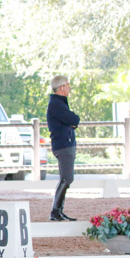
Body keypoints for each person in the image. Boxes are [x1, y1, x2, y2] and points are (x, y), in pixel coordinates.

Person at [47, 75, 80, 221]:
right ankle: (55, 211)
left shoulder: (59, 104)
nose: (69, 87)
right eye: (67, 85)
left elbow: (72, 121)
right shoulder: (57, 104)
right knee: (67, 178)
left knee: (66, 178)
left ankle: (58, 210)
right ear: (61, 87)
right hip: (64, 145)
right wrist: (72, 122)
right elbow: (74, 120)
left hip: (66, 144)